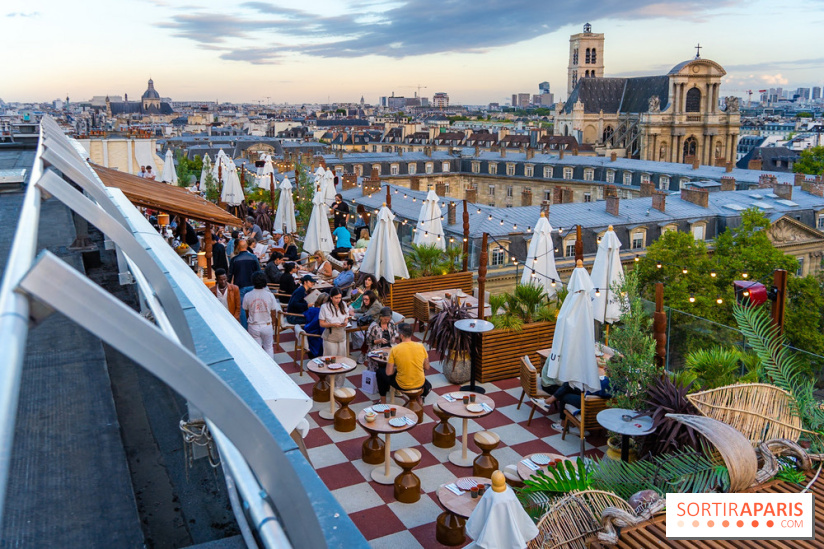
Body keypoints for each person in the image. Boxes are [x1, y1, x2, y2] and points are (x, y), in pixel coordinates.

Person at [377, 322, 431, 404]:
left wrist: (396, 369)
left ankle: (383, 401)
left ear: (401, 335)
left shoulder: (395, 349)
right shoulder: (421, 346)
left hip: (402, 384)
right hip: (420, 382)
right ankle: (419, 398)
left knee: (380, 372)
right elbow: (427, 367)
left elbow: (388, 373)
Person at [319, 287, 351, 384]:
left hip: (341, 336)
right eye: (336, 298)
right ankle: (328, 383)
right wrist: (332, 324)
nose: (338, 300)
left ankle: (339, 384)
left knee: (342, 361)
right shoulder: (325, 307)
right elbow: (321, 323)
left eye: (340, 298)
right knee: (330, 361)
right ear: (331, 297)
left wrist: (345, 322)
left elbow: (346, 317)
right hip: (330, 336)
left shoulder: (343, 305)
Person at [242, 272, 277, 358]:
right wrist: (272, 324)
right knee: (268, 348)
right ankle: (270, 367)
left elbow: (246, 312)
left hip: (253, 326)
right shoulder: (269, 295)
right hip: (267, 325)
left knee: (257, 349)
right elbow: (273, 312)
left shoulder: (247, 295)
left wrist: (250, 321)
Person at [228, 239, 261, 328]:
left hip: (240, 285)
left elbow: (230, 274)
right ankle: (254, 325)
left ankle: (245, 328)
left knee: (241, 308)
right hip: (252, 285)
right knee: (254, 306)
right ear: (246, 246)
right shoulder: (253, 257)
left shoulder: (234, 259)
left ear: (238, 247)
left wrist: (228, 285)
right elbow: (259, 272)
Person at [302, 293, 328, 358]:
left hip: (308, 334)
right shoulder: (320, 313)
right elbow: (322, 330)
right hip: (316, 338)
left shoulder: (311, 309)